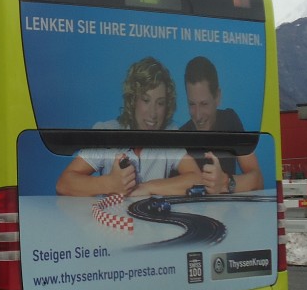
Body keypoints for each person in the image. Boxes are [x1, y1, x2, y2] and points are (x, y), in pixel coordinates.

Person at [56, 57, 201, 197]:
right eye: (146, 100)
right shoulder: (107, 131)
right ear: (133, 100)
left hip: (152, 222)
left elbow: (197, 178)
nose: (153, 113)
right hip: (112, 220)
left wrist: (147, 188)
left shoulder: (169, 133)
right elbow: (64, 184)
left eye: (160, 103)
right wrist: (109, 184)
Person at [180, 56, 264, 194]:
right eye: (192, 104)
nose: (198, 115)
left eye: (204, 104)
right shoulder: (180, 135)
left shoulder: (229, 120)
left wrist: (226, 183)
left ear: (218, 97)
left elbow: (258, 180)